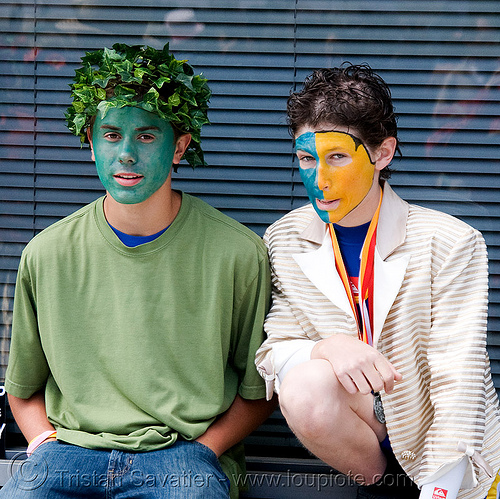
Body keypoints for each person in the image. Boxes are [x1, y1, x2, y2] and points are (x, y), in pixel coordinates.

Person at [2, 43, 275, 498]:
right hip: (68, 449)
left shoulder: (238, 253)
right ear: (90, 144)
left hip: (184, 454)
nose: (126, 154)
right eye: (111, 135)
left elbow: (260, 392)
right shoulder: (46, 254)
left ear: (180, 147)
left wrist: (207, 449)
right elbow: (23, 387)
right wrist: (41, 441)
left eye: (146, 136)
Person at [255, 64, 500, 499]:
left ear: (383, 153)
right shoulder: (285, 237)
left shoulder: (451, 240)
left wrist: (440, 489)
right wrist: (326, 347)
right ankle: (385, 490)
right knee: (303, 383)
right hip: (372, 446)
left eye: (337, 156)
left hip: (445, 446)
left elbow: (458, 375)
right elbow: (274, 354)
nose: (319, 180)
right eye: (306, 158)